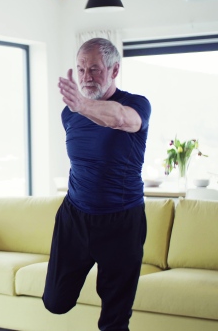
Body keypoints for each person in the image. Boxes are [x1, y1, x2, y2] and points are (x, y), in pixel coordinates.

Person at [42, 38, 151, 331]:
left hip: (122, 221)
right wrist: (79, 107)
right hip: (74, 216)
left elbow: (119, 119)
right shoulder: (70, 114)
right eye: (80, 69)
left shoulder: (136, 105)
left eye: (94, 69)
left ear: (114, 70)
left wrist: (84, 104)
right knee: (55, 301)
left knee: (114, 320)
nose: (86, 77)